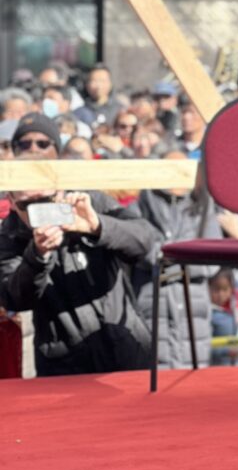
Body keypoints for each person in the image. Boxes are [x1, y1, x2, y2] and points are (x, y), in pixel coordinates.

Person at [0, 113, 160, 376]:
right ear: (12, 200)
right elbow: (15, 297)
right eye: (28, 205)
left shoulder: (88, 201)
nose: (39, 211)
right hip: (63, 365)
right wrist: (38, 255)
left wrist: (98, 227)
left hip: (126, 350)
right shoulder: (10, 233)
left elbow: (145, 241)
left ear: (60, 190)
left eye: (46, 200)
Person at [135, 150, 220, 368]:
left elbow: (213, 257)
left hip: (195, 301)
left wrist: (168, 258)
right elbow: (139, 249)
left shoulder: (203, 204)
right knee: (155, 370)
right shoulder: (142, 203)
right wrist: (186, 257)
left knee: (194, 373)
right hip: (152, 298)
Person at [73, 63, 122, 130]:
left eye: (102, 81)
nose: (98, 86)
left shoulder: (120, 110)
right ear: (87, 84)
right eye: (94, 81)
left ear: (110, 83)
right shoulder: (79, 113)